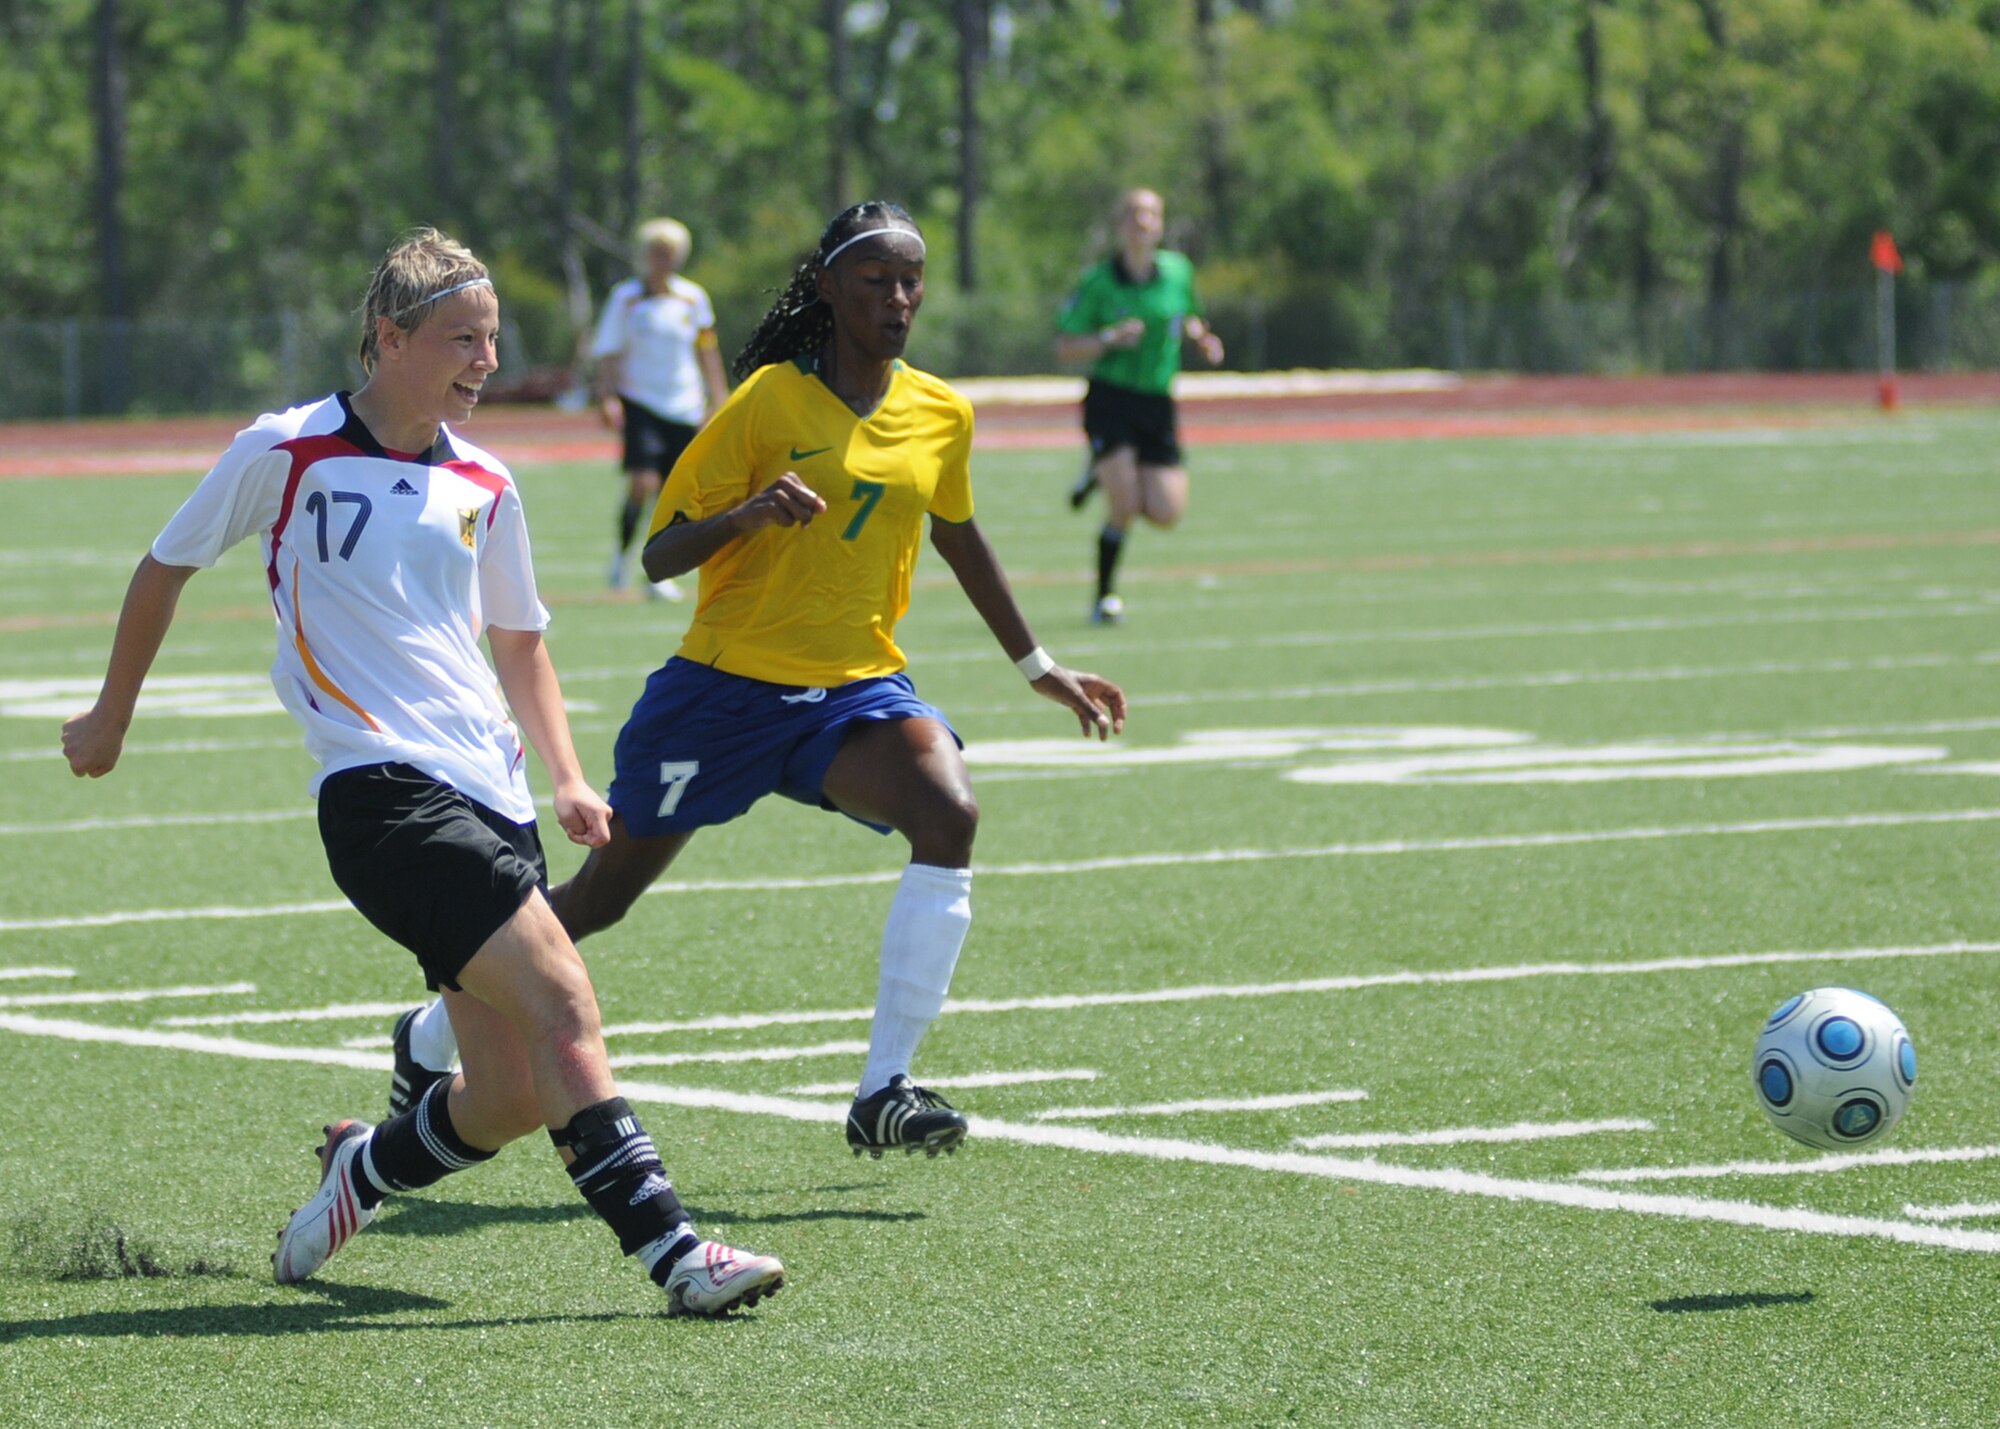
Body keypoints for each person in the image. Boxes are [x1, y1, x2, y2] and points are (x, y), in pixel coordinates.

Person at [60, 228, 784, 1317]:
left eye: (492, 340)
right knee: (566, 1007)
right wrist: (112, 717)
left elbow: (520, 642)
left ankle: (364, 1168)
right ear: (388, 339)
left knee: (500, 1096)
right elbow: (164, 566)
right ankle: (676, 1252)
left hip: (489, 793)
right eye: (461, 339)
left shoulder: (488, 480)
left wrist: (570, 778)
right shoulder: (287, 448)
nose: (484, 360)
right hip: (379, 793)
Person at [389, 200, 1128, 1161]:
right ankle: (432, 1032)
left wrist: (1039, 666)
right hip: (722, 696)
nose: (898, 299)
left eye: (911, 282)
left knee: (948, 811)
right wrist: (748, 514)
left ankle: (883, 1089)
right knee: (602, 899)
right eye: (875, 281)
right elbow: (661, 552)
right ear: (826, 288)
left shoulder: (941, 412)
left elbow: (957, 531)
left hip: (855, 692)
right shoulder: (768, 403)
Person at [1055, 187, 1225, 624]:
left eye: (1151, 215)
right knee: (1124, 505)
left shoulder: (1178, 272)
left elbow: (1188, 315)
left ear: (1161, 225)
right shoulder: (1099, 281)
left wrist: (1201, 339)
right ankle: (1104, 599)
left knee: (1166, 512)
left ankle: (1099, 471)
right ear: (1121, 226)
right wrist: (1109, 338)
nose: (1143, 223)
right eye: (1134, 215)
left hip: (1158, 401)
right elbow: (1065, 346)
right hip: (1111, 399)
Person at [591, 217, 730, 602]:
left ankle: (658, 573)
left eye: (669, 253)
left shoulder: (693, 298)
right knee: (642, 483)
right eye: (656, 252)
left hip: (684, 405)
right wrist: (607, 396)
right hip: (641, 402)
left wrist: (718, 398)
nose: (662, 260)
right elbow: (609, 350)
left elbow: (707, 350)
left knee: (673, 493)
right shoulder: (627, 298)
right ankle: (621, 557)